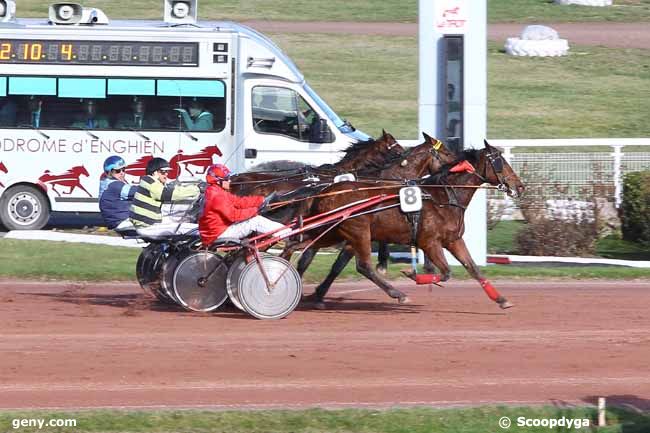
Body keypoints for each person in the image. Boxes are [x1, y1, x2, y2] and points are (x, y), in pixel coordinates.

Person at [198, 163, 288, 247]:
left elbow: (238, 202)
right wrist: (255, 210)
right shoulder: (217, 196)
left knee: (254, 219)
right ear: (218, 181)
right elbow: (234, 216)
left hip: (216, 231)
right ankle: (287, 234)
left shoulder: (216, 191)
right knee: (256, 221)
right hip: (218, 234)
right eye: (227, 178)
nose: (230, 181)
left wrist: (261, 200)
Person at [129, 157, 200, 238]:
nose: (166, 174)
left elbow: (172, 190)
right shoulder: (149, 181)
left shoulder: (152, 183)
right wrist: (197, 189)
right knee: (191, 228)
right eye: (163, 172)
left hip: (148, 224)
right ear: (154, 172)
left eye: (167, 171)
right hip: (148, 227)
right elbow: (170, 194)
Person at [98, 155, 137, 231]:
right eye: (118, 171)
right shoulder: (115, 186)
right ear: (109, 172)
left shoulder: (106, 183)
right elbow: (136, 191)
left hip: (117, 221)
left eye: (123, 169)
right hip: (123, 222)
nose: (122, 173)